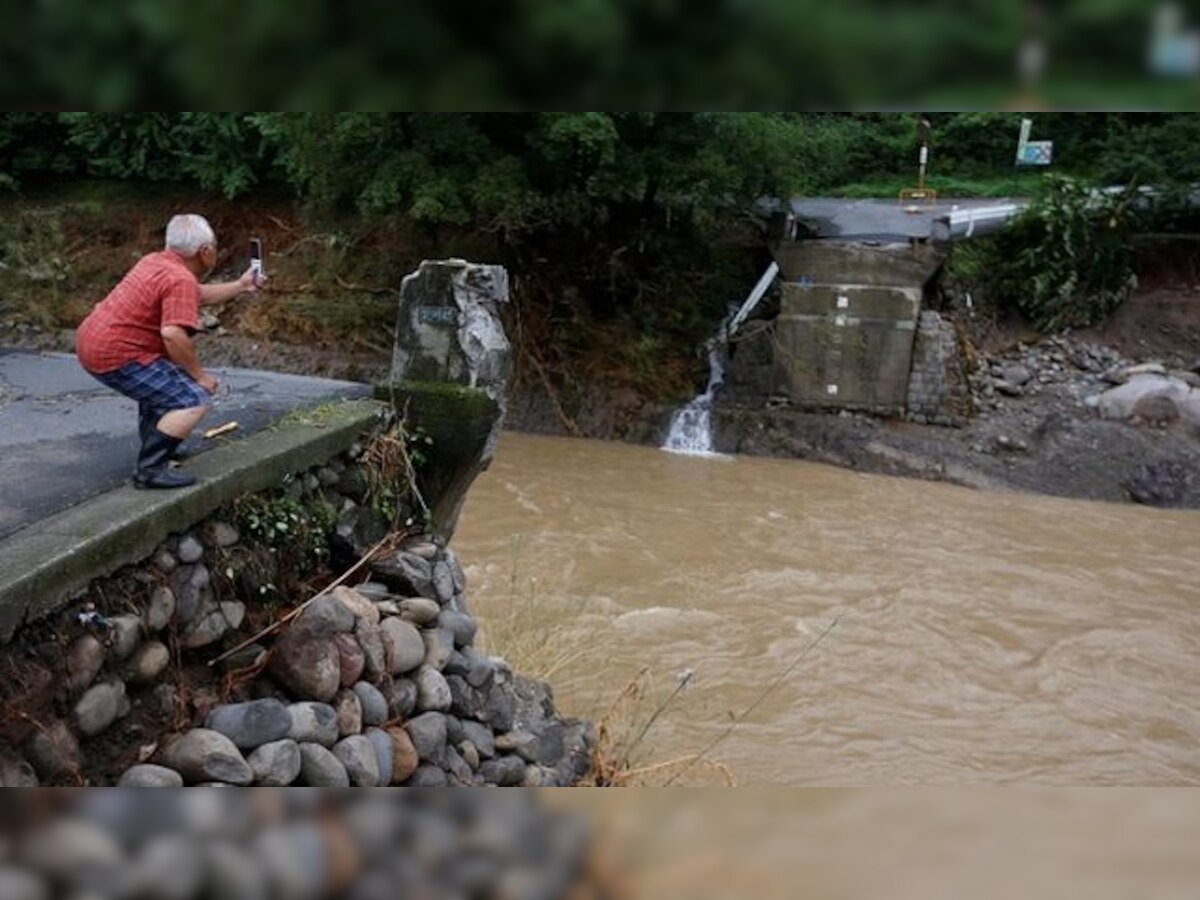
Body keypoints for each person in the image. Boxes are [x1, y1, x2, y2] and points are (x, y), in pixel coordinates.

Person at [76, 214, 262, 489]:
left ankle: (163, 447)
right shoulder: (179, 279)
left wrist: (241, 285)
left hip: (91, 340)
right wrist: (200, 376)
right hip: (115, 353)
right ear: (205, 252)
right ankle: (149, 470)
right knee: (192, 399)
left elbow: (196, 293)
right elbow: (172, 334)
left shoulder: (155, 261)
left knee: (162, 388)